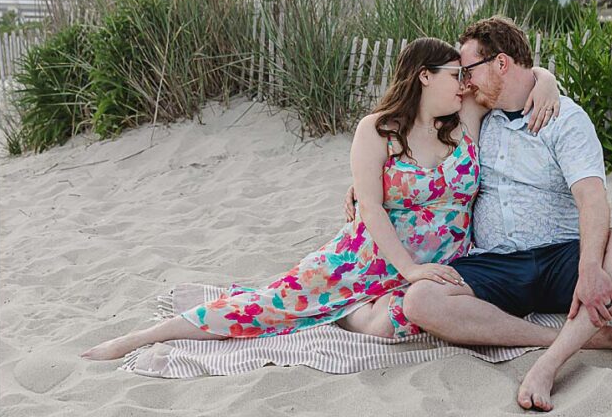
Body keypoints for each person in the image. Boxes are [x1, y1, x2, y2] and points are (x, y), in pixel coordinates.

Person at [81, 37, 580, 361]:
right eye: (454, 74)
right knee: (265, 308)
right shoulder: (377, 131)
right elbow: (373, 209)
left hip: (446, 265)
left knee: (396, 324)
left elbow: (516, 77)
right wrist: (408, 269)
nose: (464, 83)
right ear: (425, 76)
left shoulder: (465, 119)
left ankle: (351, 315)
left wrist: (549, 82)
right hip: (370, 258)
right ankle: (149, 336)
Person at [378, 17, 612, 412]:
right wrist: (372, 181)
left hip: (562, 255)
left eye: (470, 70)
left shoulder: (564, 118)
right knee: (420, 299)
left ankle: (550, 362)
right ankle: (570, 337)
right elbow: (416, 133)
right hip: (496, 263)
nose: (465, 82)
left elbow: (592, 198)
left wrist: (590, 267)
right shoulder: (475, 113)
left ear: (501, 64)